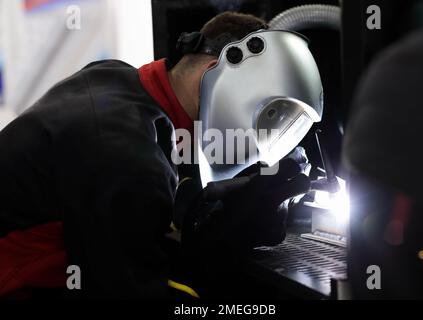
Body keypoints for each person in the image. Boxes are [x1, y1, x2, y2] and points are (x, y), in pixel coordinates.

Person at [0, 12, 319, 299]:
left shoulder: (117, 82)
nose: (258, 143)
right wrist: (218, 248)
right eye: (267, 117)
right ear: (220, 77)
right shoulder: (125, 155)